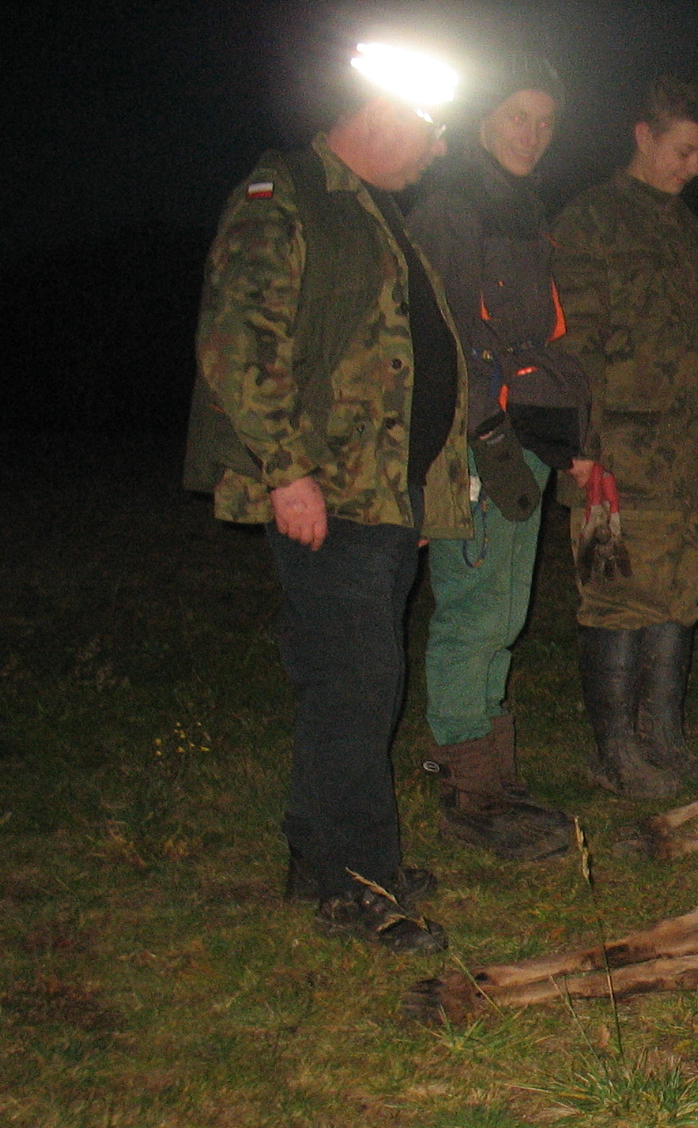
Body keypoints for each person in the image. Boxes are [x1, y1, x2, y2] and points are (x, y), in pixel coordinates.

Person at [185, 41, 467, 954]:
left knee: (351, 683)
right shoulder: (286, 195)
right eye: (430, 133)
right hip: (330, 492)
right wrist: (286, 469)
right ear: (380, 118)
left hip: (381, 497)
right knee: (356, 687)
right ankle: (360, 884)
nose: (438, 151)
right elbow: (239, 338)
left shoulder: (376, 211)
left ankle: (319, 857)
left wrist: (421, 494)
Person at [407, 56, 585, 859]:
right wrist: (478, 436)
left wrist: (564, 433)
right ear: (482, 119)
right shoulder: (451, 210)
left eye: (546, 122)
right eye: (519, 116)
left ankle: (496, 777)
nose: (533, 134)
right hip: (479, 440)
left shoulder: (526, 209)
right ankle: (466, 786)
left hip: (527, 436)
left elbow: (542, 335)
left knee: (506, 610)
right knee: (473, 611)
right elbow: (439, 338)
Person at [551, 77, 698, 799]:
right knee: (615, 593)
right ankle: (616, 754)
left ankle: (664, 741)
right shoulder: (589, 221)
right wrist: (583, 443)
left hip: (691, 452)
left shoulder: (687, 229)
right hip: (617, 451)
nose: (694, 168)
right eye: (682, 152)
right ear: (643, 136)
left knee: (680, 593)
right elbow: (573, 344)